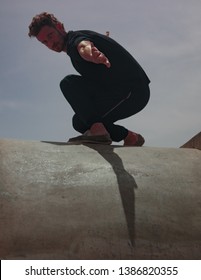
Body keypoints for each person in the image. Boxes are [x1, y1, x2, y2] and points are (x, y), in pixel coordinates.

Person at [28, 12, 150, 146]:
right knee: (80, 121)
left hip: (133, 91)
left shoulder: (75, 40)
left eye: (50, 35)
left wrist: (90, 52)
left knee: (68, 83)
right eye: (45, 42)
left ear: (60, 27)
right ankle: (129, 136)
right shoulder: (76, 41)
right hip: (117, 90)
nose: (50, 43)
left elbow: (82, 45)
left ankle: (99, 133)